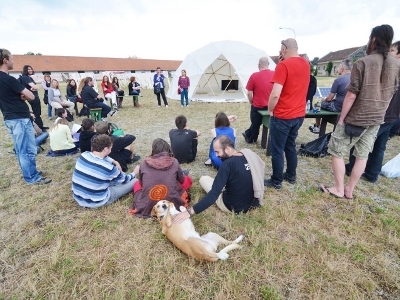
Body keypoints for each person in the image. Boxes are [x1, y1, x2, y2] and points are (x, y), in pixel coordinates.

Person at [320, 25, 400, 199]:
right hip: (377, 119)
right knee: (362, 155)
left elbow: (351, 95)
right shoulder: (396, 65)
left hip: (356, 117)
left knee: (337, 151)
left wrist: (341, 118)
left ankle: (339, 188)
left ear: (373, 39)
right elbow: (392, 92)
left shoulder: (363, 62)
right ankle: (350, 190)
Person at [173, 135, 265, 223]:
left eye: (217, 152)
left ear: (227, 149)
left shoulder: (227, 165)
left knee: (203, 179)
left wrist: (189, 212)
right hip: (254, 203)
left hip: (232, 207)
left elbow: (213, 195)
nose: (216, 155)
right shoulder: (248, 156)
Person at [345, 40, 400, 183]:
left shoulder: (392, 70)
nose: (388, 53)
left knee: (361, 142)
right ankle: (372, 174)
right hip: (392, 116)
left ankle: (352, 168)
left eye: (392, 51)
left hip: (382, 115)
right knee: (379, 147)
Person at [264, 38, 310, 190]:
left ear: (284, 49)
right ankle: (291, 175)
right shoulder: (306, 64)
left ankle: (276, 181)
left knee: (277, 149)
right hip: (298, 115)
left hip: (283, 115)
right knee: (290, 146)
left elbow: (275, 94)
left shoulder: (283, 66)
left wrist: (270, 109)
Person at [0, 48, 51, 184]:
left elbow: (8, 98)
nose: (13, 61)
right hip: (19, 119)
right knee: (27, 149)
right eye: (11, 59)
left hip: (10, 118)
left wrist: (20, 97)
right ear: (5, 61)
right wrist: (23, 96)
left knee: (21, 149)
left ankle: (30, 172)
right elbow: (31, 96)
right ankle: (32, 178)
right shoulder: (9, 79)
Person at [129, 138, 192, 218]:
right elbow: (182, 180)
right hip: (171, 200)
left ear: (152, 150)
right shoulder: (174, 162)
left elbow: (141, 184)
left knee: (136, 184)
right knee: (187, 179)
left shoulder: (144, 163)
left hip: (149, 201)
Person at [72, 134, 137, 208]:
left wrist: (114, 161)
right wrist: (134, 172)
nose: (111, 149)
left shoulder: (84, 155)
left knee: (114, 177)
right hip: (97, 201)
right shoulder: (108, 167)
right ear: (106, 149)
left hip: (78, 197)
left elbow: (102, 157)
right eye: (110, 148)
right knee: (134, 180)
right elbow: (125, 180)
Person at [309, 59, 352, 134]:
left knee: (318, 104)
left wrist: (324, 99)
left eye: (338, 67)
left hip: (338, 107)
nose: (337, 69)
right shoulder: (355, 79)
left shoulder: (338, 80)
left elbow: (329, 98)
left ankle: (317, 126)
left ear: (342, 68)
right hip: (350, 107)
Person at [242, 57, 274, 144]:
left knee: (255, 123)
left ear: (259, 65)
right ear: (268, 64)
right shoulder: (275, 74)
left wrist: (251, 101)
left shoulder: (254, 76)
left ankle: (252, 138)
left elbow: (249, 93)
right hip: (271, 105)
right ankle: (248, 134)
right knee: (259, 123)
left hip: (257, 105)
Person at [18, 65, 46, 130]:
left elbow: (37, 87)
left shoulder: (29, 78)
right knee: (36, 113)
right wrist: (34, 88)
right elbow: (35, 87)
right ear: (25, 70)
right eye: (29, 69)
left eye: (31, 69)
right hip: (32, 97)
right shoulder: (25, 78)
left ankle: (41, 126)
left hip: (35, 96)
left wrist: (35, 87)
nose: (30, 70)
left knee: (38, 112)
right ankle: (39, 128)